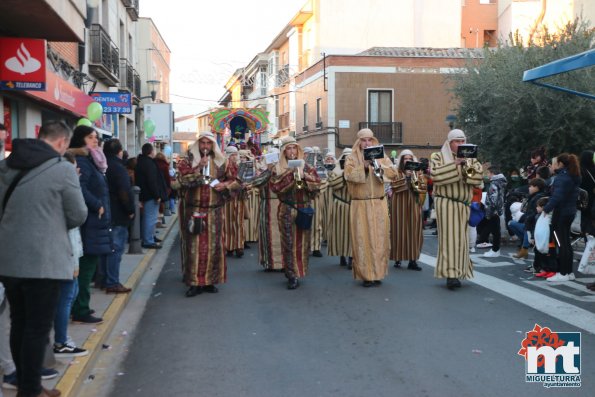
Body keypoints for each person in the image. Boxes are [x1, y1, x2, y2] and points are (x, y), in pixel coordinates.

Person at [0, 120, 88, 397]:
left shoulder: (6, 166)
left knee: (19, 322)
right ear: (62, 142)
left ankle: (28, 383)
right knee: (37, 328)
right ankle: (30, 390)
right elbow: (77, 215)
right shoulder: (62, 169)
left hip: (10, 260)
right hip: (45, 262)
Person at [175, 131, 237, 297]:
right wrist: (198, 168)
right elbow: (181, 180)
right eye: (202, 143)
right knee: (194, 247)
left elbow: (236, 180)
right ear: (198, 144)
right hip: (194, 210)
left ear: (213, 145)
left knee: (214, 247)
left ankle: (210, 281)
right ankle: (194, 283)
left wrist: (225, 185)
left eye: (208, 143)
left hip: (215, 211)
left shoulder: (223, 161)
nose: (205, 146)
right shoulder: (187, 160)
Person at [68, 126, 113, 324]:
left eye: (96, 137)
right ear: (80, 139)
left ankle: (81, 306)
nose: (95, 141)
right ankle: (80, 309)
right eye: (90, 137)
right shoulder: (84, 162)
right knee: (86, 267)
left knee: (89, 266)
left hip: (95, 222)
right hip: (89, 222)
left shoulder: (93, 160)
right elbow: (80, 187)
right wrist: (97, 205)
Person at [344, 128, 398, 287]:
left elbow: (394, 173)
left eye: (369, 140)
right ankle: (366, 275)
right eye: (363, 140)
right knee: (363, 239)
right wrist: (365, 166)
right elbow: (349, 176)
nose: (367, 143)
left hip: (379, 204)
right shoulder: (351, 158)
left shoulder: (382, 156)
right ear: (358, 142)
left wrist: (379, 166)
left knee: (380, 239)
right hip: (360, 204)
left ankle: (378, 273)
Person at [430, 129, 482, 290]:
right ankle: (450, 275)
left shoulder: (471, 159)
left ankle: (459, 271)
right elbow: (436, 176)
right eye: (457, 141)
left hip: (463, 204)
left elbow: (478, 179)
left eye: (462, 141)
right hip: (446, 202)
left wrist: (466, 166)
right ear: (449, 143)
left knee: (462, 241)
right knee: (449, 240)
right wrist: (456, 164)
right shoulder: (437, 157)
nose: (460, 144)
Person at [270, 136, 321, 289]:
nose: (292, 152)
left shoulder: (307, 167)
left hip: (303, 208)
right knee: (288, 242)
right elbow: (275, 188)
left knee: (302, 242)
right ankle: (291, 275)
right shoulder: (277, 168)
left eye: (294, 148)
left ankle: (300, 270)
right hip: (287, 208)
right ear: (284, 152)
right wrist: (290, 175)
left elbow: (317, 186)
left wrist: (304, 176)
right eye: (288, 149)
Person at [52, 151, 88, 359]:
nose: (78, 171)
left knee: (68, 295)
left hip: (68, 251)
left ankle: (61, 338)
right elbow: (76, 218)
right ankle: (61, 340)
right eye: (75, 168)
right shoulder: (66, 191)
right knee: (67, 295)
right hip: (66, 252)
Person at [102, 139, 134, 294]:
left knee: (106, 249)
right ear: (119, 151)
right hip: (118, 214)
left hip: (105, 212)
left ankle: (103, 280)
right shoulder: (118, 168)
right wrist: (130, 210)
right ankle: (112, 282)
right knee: (116, 248)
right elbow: (124, 191)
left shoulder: (101, 164)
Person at [543, 153, 581, 282]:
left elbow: (557, 197)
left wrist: (546, 209)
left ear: (560, 164)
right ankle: (569, 272)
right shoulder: (573, 176)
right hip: (570, 212)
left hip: (561, 213)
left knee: (561, 243)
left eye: (554, 163)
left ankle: (563, 272)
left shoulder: (561, 178)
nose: (552, 165)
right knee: (566, 243)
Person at [389, 150, 427, 271]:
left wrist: (414, 177)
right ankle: (397, 258)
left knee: (414, 230)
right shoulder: (396, 171)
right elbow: (394, 186)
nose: (408, 160)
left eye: (410, 158)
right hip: (399, 203)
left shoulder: (418, 171)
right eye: (405, 159)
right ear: (401, 160)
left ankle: (413, 260)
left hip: (413, 202)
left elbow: (422, 187)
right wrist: (406, 177)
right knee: (398, 230)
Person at [253, 149, 284, 271]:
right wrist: (269, 171)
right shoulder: (263, 172)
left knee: (283, 235)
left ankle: (283, 263)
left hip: (281, 204)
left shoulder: (284, 171)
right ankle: (268, 262)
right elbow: (256, 182)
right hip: (266, 204)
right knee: (266, 234)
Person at [135, 143, 164, 249]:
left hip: (144, 194)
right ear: (151, 151)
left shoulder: (141, 162)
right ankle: (148, 240)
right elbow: (152, 181)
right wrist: (157, 195)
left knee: (149, 217)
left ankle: (150, 237)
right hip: (150, 195)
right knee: (150, 218)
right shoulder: (149, 163)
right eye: (154, 150)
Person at [509, 178, 546, 260]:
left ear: (537, 187)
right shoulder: (533, 196)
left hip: (535, 224)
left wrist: (526, 218)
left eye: (531, 186)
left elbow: (533, 214)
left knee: (527, 226)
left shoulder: (538, 198)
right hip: (530, 221)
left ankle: (525, 248)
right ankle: (526, 243)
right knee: (512, 223)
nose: (529, 188)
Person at [327, 148, 352, 268]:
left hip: (354, 205)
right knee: (341, 232)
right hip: (340, 205)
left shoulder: (356, 171)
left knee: (353, 233)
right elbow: (333, 184)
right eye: (345, 159)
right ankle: (342, 255)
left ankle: (352, 257)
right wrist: (344, 174)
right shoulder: (335, 171)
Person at [222, 146, 245, 257]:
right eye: (234, 154)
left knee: (238, 222)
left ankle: (239, 246)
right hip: (228, 197)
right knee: (227, 222)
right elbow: (222, 180)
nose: (236, 156)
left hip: (239, 197)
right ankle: (229, 246)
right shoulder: (224, 166)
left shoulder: (239, 166)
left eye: (236, 154)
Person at [482, 166, 507, 258]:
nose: (487, 175)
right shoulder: (501, 182)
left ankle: (495, 250)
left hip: (493, 210)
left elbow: (493, 199)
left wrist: (489, 212)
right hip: (498, 209)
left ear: (492, 173)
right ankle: (495, 249)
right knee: (496, 230)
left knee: (495, 231)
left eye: (488, 173)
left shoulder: (494, 184)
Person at [579, 150, 594, 236]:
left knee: (584, 218)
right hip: (592, 198)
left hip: (582, 200)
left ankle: (583, 233)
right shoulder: (593, 169)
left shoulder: (580, 171)